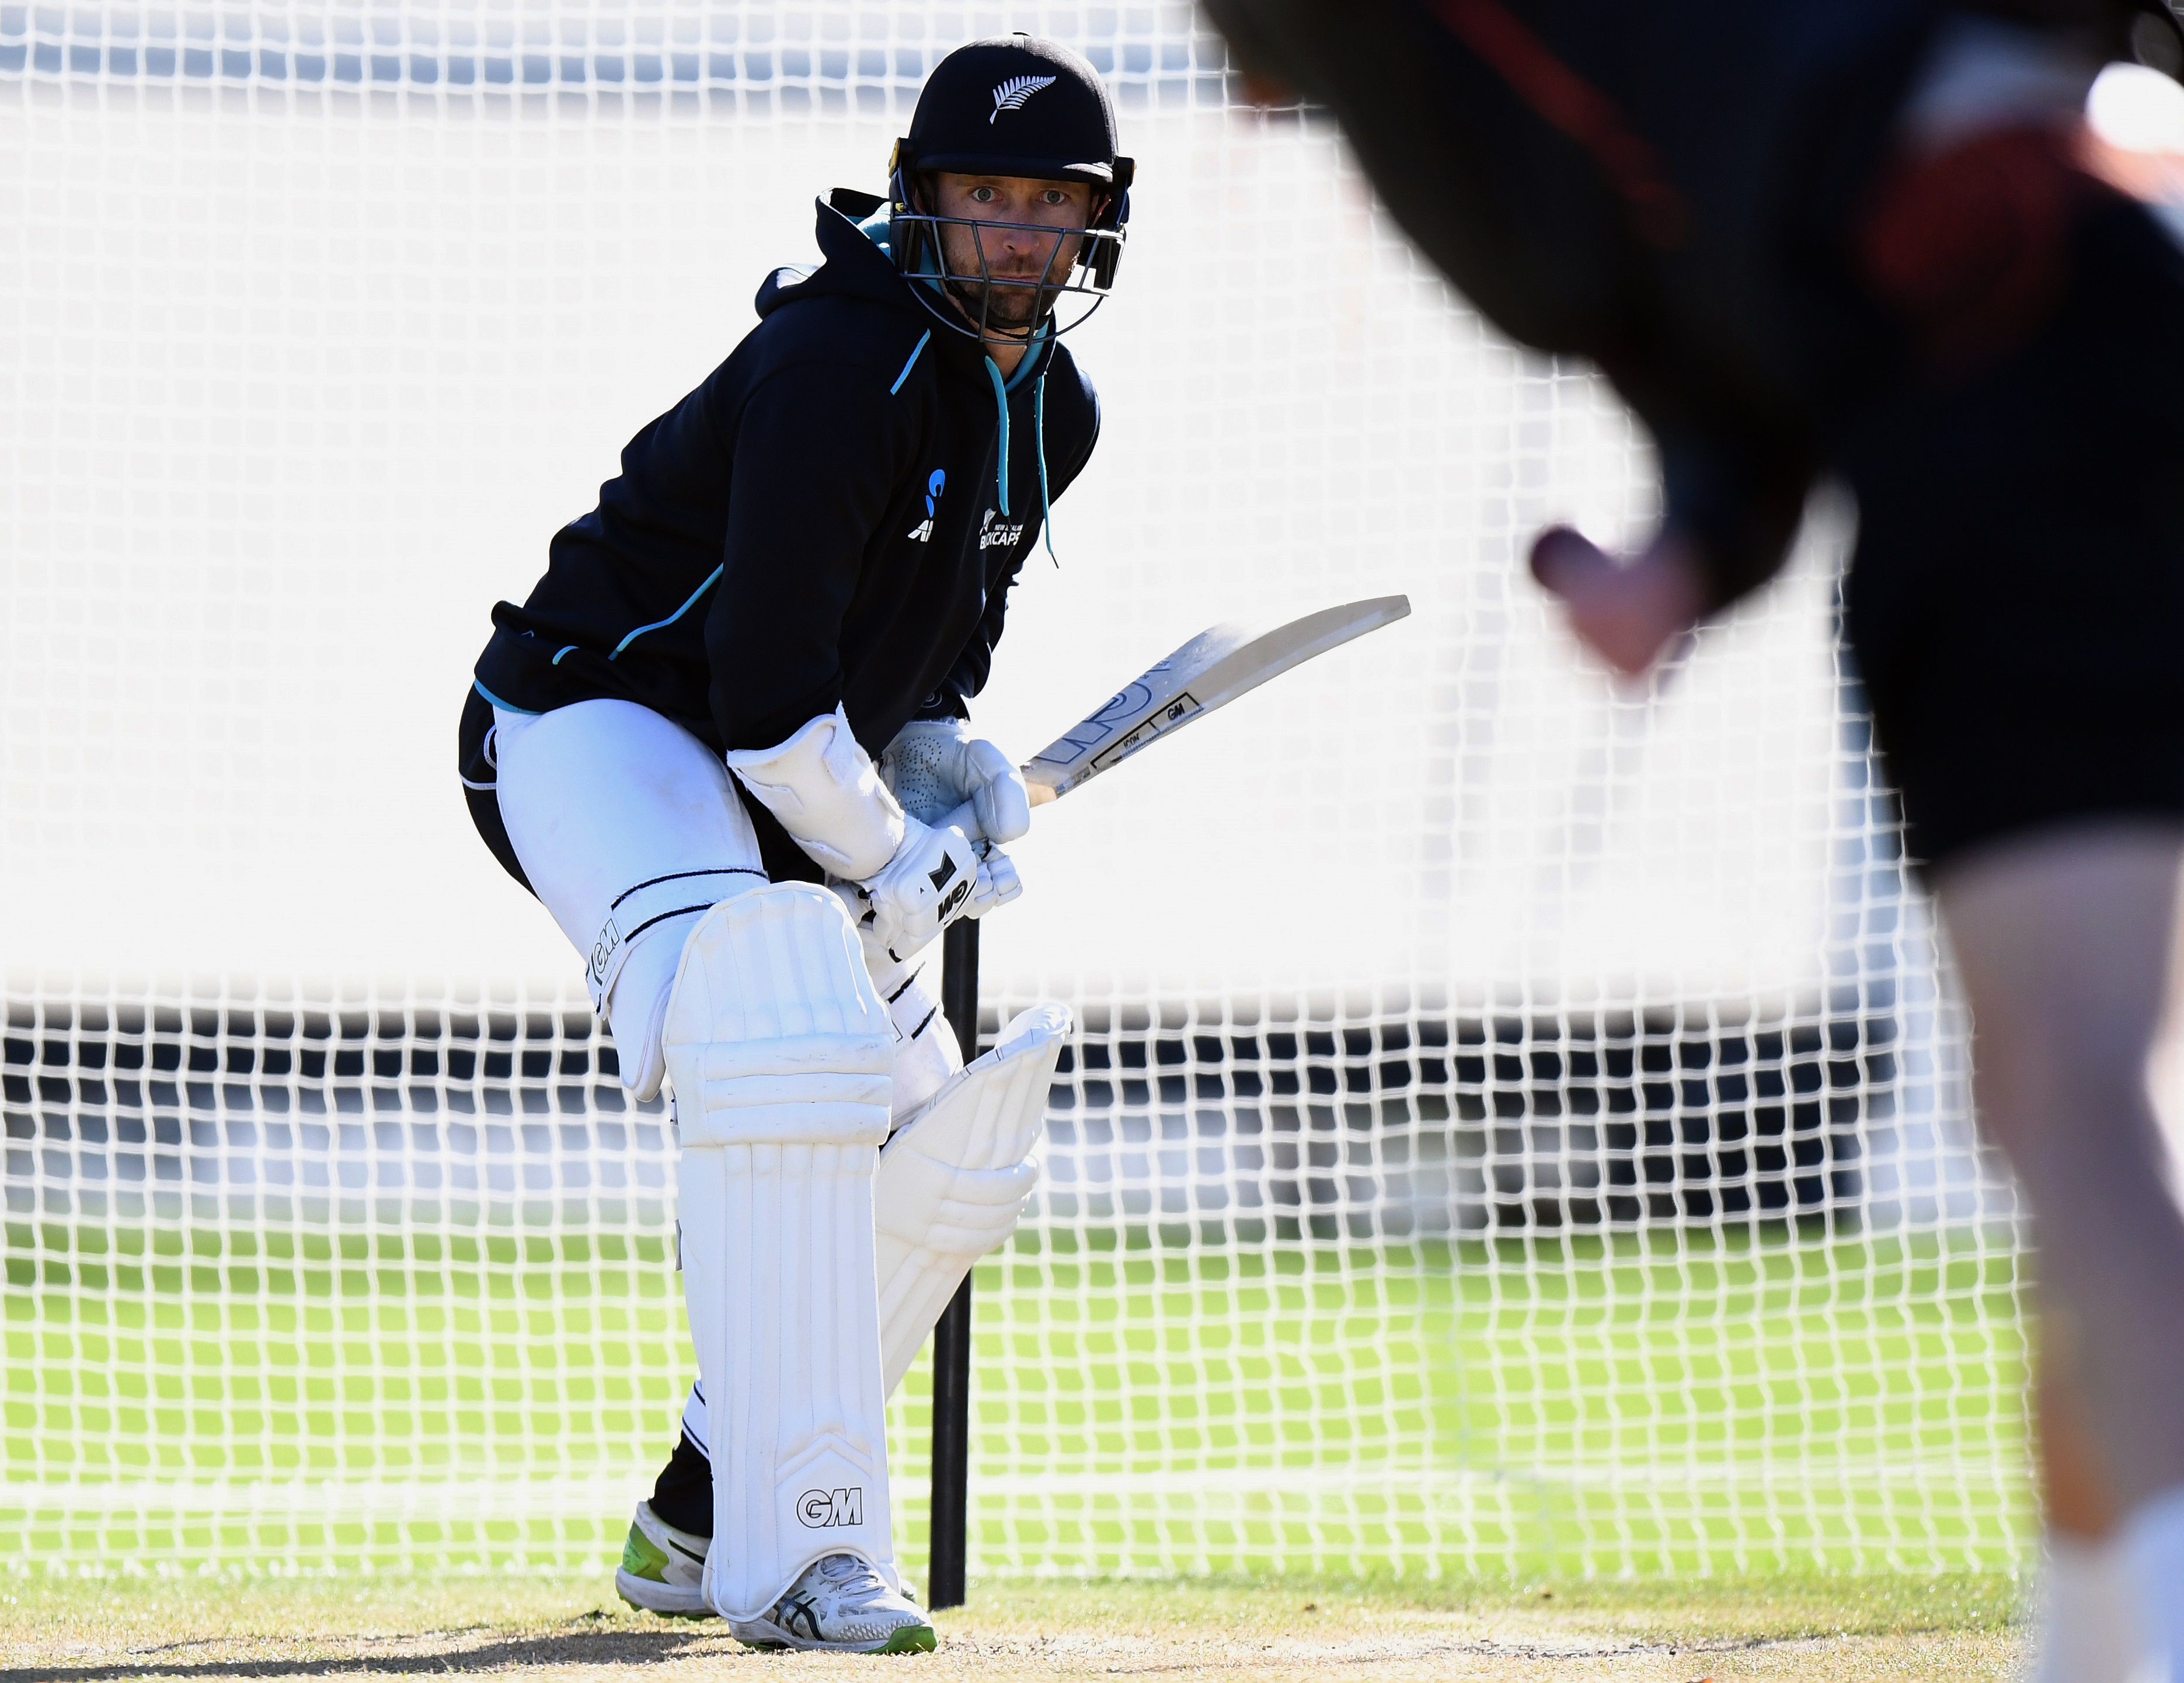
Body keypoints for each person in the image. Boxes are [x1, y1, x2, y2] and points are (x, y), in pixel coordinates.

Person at [1199, 0, 2184, 1675]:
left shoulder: (1467, 118)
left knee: (2071, 1086)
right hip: (2063, 318)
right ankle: (2096, 1640)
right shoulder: (1542, 156)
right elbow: (1757, 322)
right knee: (2060, 1097)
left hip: (2026, 328)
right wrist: (1688, 555)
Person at [454, 34, 1133, 1652]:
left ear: (1095, 227)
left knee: (950, 1146)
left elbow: (907, 664)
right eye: (989, 198)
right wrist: (894, 864)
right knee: (781, 1033)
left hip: (777, 769)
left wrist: (948, 765)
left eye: (1053, 204)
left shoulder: (1061, 411)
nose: (1019, 236)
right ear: (923, 202)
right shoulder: (841, 362)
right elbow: (763, 701)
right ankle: (810, 1560)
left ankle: (707, 1500)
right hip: (600, 718)